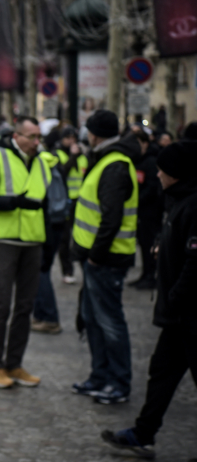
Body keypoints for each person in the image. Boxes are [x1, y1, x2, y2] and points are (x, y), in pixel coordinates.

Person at [101, 141, 197, 462]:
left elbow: (194, 263)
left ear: (178, 174)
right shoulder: (180, 198)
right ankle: (143, 433)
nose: (156, 173)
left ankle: (143, 433)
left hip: (189, 312)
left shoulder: (194, 203)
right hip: (178, 316)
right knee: (161, 373)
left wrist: (175, 298)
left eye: (163, 169)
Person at [0, 115, 50, 389]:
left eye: (38, 137)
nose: (36, 142)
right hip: (3, 241)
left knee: (25, 307)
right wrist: (14, 203)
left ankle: (14, 364)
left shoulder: (42, 160)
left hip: (33, 242)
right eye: (32, 136)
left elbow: (48, 201)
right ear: (17, 136)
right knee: (2, 305)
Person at [71, 110, 140, 405]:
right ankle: (99, 377)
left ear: (94, 134)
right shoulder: (105, 159)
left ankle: (118, 383)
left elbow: (110, 219)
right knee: (93, 319)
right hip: (98, 258)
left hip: (107, 260)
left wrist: (96, 256)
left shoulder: (114, 165)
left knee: (109, 322)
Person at [31, 131, 67, 335]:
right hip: (58, 219)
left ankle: (49, 317)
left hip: (47, 221)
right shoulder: (52, 159)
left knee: (40, 270)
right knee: (42, 269)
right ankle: (40, 315)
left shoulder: (39, 162)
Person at [127, 125, 162, 290]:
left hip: (149, 211)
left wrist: (138, 200)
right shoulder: (137, 160)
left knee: (149, 243)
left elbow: (152, 187)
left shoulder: (150, 161)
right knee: (143, 243)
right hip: (141, 211)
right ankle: (145, 274)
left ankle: (151, 275)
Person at [54, 126, 87, 284]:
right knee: (65, 238)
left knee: (81, 235)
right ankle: (67, 270)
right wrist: (73, 157)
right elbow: (63, 172)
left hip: (80, 200)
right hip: (65, 200)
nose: (71, 141)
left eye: (74, 138)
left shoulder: (83, 155)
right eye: (68, 138)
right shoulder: (58, 154)